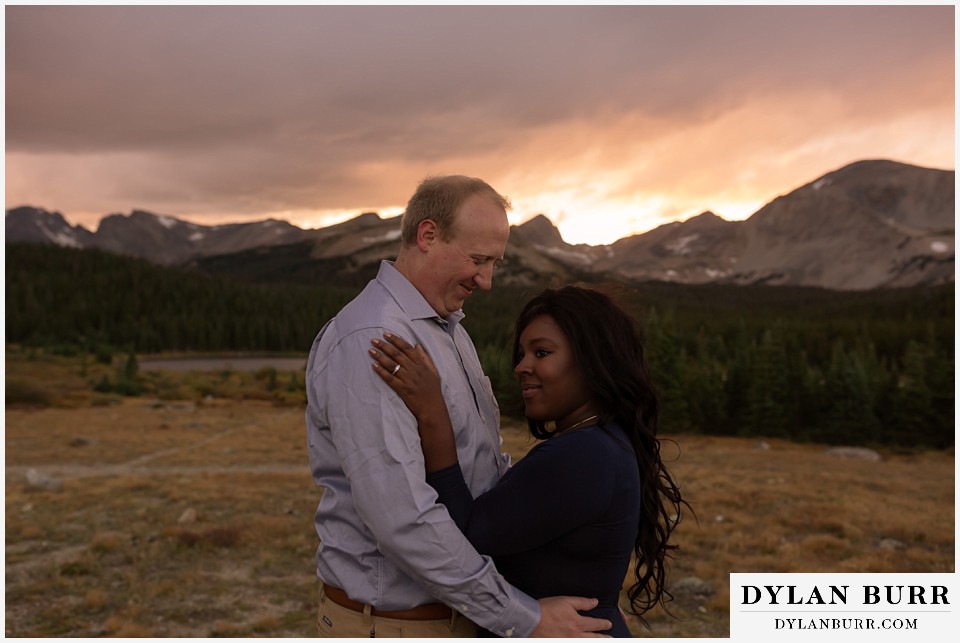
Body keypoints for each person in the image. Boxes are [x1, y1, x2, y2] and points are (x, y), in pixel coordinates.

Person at [305, 175, 612, 638]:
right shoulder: (374, 340)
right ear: (427, 236)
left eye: (495, 263)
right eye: (478, 260)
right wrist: (522, 618)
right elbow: (402, 519)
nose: (486, 281)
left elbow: (481, 471)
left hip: (452, 617)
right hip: (396, 627)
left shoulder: (447, 329)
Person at [369, 285, 688, 637]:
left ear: (593, 359)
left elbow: (464, 536)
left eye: (542, 352)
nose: (522, 367)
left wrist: (433, 415)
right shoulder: (602, 442)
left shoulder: (584, 455)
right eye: (522, 354)